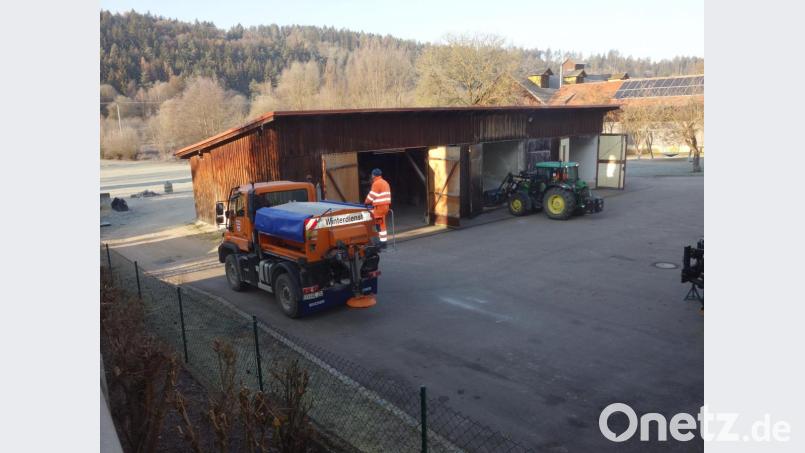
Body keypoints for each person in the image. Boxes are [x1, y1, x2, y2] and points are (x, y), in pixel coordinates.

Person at [364, 168, 391, 247]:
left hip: (379, 207)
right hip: (385, 206)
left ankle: (382, 243)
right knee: (382, 224)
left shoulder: (376, 183)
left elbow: (372, 195)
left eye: (372, 175)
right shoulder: (385, 182)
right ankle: (383, 241)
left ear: (373, 175)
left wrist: (366, 202)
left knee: (379, 225)